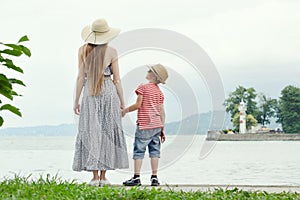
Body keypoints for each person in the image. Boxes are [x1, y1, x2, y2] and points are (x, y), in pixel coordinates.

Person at [72, 19, 129, 186]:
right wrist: (122, 100)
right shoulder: (112, 51)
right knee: (107, 133)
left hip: (90, 92)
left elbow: (80, 77)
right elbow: (117, 79)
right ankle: (104, 177)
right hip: (108, 91)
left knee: (92, 132)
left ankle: (94, 177)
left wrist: (76, 101)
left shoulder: (82, 50)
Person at [122, 64, 168, 186]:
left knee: (139, 151)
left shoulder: (143, 87)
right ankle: (154, 177)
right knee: (155, 152)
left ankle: (136, 177)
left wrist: (125, 111)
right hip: (157, 126)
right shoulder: (159, 92)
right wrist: (162, 128)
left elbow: (138, 105)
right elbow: (162, 111)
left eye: (149, 71)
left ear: (153, 75)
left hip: (144, 125)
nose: (147, 72)